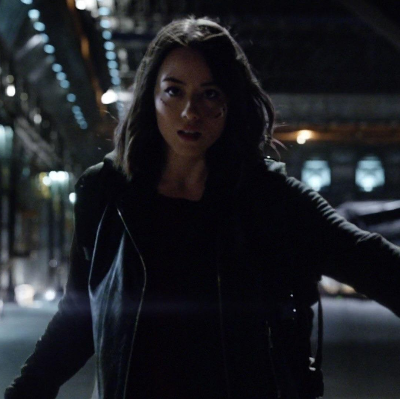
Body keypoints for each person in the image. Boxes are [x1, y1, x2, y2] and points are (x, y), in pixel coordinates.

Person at [5, 16, 400, 400]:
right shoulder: (105, 193)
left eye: (210, 94)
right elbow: (78, 319)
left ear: (232, 101)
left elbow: (373, 263)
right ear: (150, 97)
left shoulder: (271, 198)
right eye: (174, 91)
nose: (190, 112)